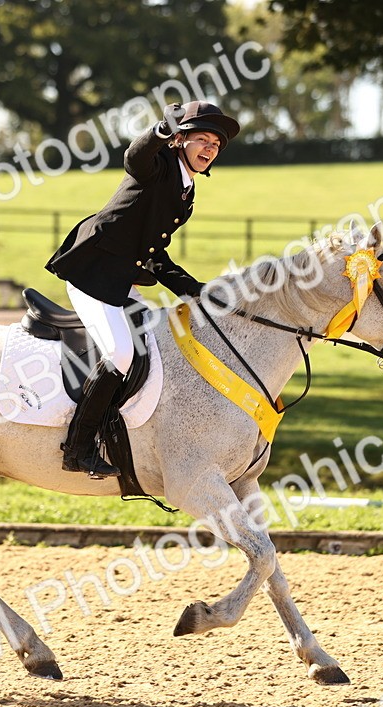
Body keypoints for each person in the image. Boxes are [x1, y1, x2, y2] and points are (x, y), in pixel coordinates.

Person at [45, 100, 241, 477]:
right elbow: (135, 157)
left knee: (153, 347)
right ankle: (77, 448)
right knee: (120, 354)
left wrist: (193, 289)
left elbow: (153, 251)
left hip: (121, 280)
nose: (209, 150)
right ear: (180, 140)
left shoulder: (186, 195)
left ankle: (120, 432)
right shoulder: (158, 166)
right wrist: (158, 130)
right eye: (202, 140)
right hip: (93, 274)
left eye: (215, 146)